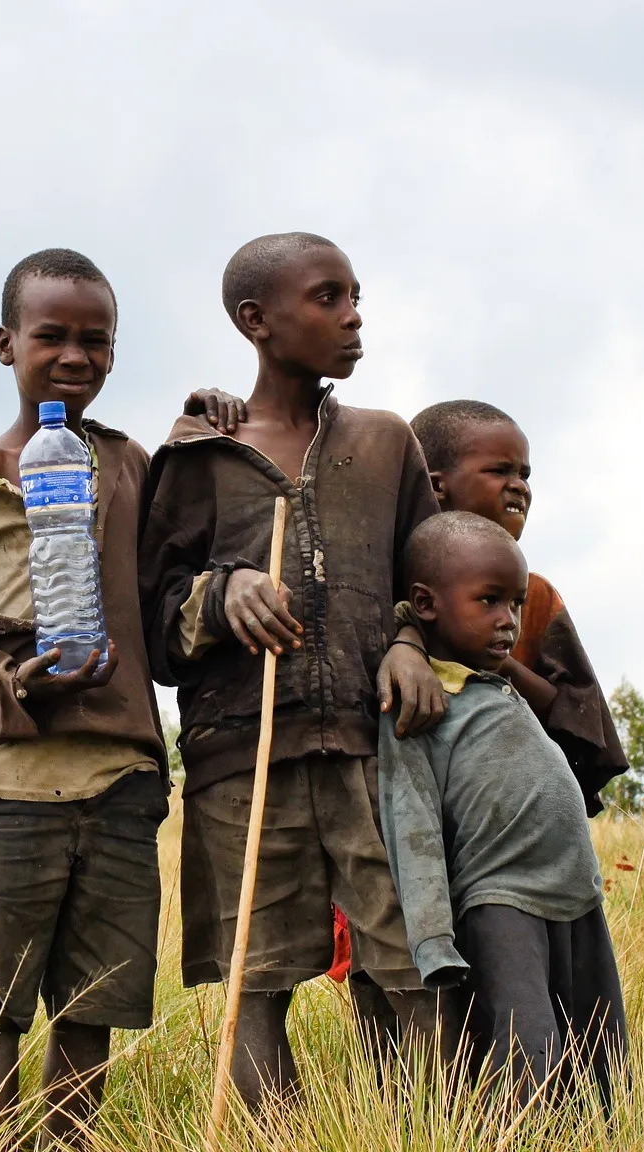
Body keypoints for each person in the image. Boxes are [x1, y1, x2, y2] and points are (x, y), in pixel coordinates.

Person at [0, 247, 238, 1145]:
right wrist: (16, 685)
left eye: (97, 340)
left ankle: (69, 1142)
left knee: (96, 1002)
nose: (75, 356)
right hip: (5, 782)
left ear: (115, 355)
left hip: (122, 779)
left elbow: (168, 597)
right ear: (7, 345)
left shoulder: (130, 467)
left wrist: (203, 432)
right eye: (52, 336)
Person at [139, 231, 448, 1111]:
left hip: (374, 755)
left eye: (356, 296)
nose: (353, 318)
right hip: (244, 761)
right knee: (256, 983)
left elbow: (427, 584)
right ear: (257, 322)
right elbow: (155, 629)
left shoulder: (387, 445)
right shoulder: (197, 461)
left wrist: (406, 643)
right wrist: (220, 593)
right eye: (327, 298)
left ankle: (422, 1132)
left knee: (414, 969)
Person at [380, 511, 627, 1107]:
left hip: (578, 898)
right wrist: (434, 941)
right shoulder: (420, 697)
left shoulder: (499, 685)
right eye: (489, 601)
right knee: (526, 1061)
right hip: (499, 901)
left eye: (514, 604)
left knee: (605, 1056)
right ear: (426, 603)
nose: (508, 622)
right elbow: (408, 822)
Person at [408, 400, 628, 813]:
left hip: (506, 811)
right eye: (500, 471)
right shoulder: (387, 581)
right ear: (436, 485)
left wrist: (501, 665)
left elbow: (582, 730)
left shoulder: (537, 598)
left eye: (525, 474)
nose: (520, 486)